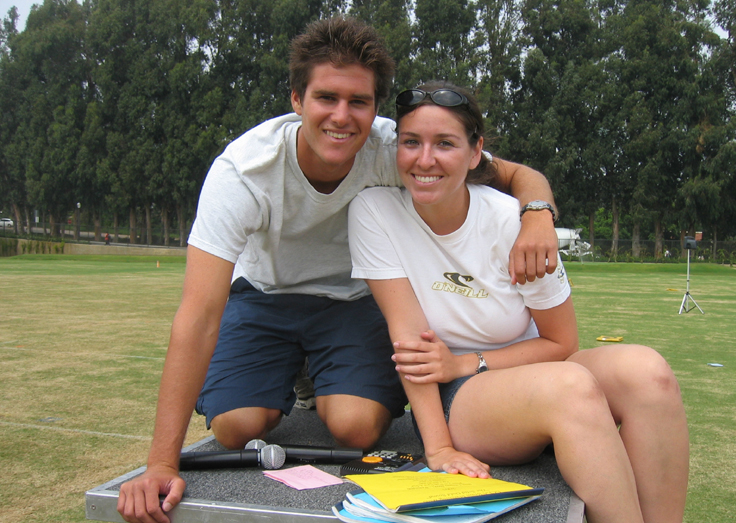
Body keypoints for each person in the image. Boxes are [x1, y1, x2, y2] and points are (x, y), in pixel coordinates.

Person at [117, 18, 560, 523]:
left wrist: (538, 213)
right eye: (327, 98)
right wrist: (160, 463)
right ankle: (296, 370)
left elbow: (515, 173)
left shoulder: (398, 147)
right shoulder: (243, 173)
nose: (342, 117)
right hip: (265, 295)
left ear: (375, 110)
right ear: (297, 100)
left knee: (355, 426)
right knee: (236, 427)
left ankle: (319, 372)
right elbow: (197, 317)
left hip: (351, 303)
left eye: (360, 102)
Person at [348, 81, 689, 523]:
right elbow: (413, 346)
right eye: (411, 142)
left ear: (475, 154)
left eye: (445, 144)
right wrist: (439, 447)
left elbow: (563, 343)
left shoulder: (515, 221)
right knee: (570, 388)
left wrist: (468, 361)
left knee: (650, 374)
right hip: (460, 400)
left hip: (514, 372)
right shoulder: (375, 212)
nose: (424, 159)